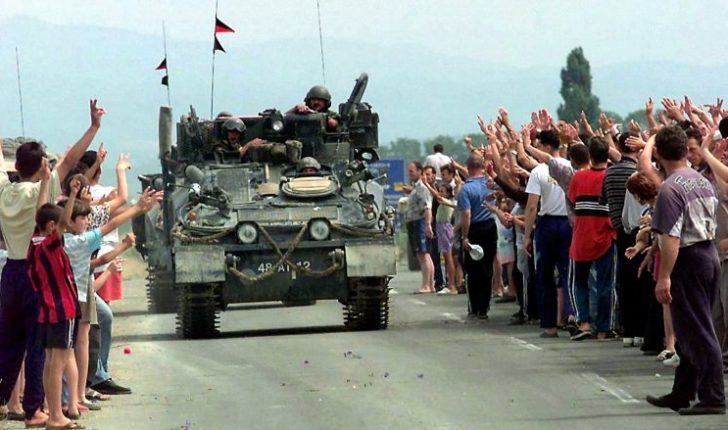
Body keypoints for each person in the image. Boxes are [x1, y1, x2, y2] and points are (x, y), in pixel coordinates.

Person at [0, 99, 105, 428]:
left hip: (10, 271)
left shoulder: (4, 191)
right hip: (34, 272)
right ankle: (34, 409)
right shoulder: (38, 194)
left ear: (17, 166)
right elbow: (72, 160)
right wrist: (94, 127)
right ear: (42, 167)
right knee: (36, 345)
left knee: (9, 342)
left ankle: (4, 399)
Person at [646, 125, 725, 415]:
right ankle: (683, 391)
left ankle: (713, 396)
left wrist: (664, 276)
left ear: (658, 153)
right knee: (691, 327)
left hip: (688, 258)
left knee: (698, 330)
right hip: (709, 253)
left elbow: (671, 236)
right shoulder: (701, 180)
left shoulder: (670, 188)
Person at [28, 179, 84, 430]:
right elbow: (61, 223)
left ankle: (52, 411)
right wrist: (72, 194)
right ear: (51, 226)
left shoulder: (34, 242)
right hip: (62, 309)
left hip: (46, 311)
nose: (66, 227)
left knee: (51, 361)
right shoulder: (50, 245)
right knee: (58, 362)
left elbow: (42, 213)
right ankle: (55, 417)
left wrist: (44, 187)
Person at [523, 130, 574, 338]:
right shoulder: (570, 166)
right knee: (569, 273)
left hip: (547, 223)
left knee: (545, 275)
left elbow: (531, 206)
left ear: (546, 146)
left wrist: (527, 235)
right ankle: (572, 315)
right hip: (569, 222)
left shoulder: (538, 171)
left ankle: (550, 325)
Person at [567, 137, 617, 341]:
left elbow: (572, 200)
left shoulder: (578, 177)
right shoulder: (610, 177)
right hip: (606, 236)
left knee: (579, 282)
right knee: (606, 285)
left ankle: (585, 322)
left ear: (590, 155)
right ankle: (604, 328)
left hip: (582, 236)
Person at [457, 154, 497, 318]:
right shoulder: (490, 185)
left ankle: (474, 306)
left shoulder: (465, 189)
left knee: (473, 269)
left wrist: (465, 236)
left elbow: (466, 214)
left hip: (475, 228)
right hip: (490, 226)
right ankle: (484, 307)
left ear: (468, 168)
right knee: (487, 268)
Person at [404, 161, 435, 294]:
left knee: (423, 254)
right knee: (424, 254)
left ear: (419, 171)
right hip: (414, 223)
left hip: (419, 222)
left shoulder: (422, 188)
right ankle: (430, 285)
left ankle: (426, 285)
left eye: (412, 171)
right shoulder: (416, 188)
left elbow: (427, 207)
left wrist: (428, 225)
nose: (409, 174)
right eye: (409, 171)